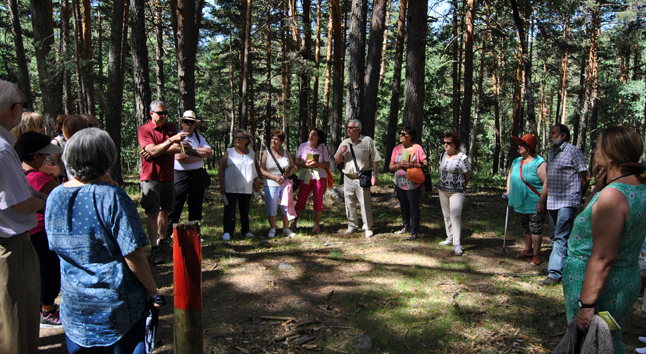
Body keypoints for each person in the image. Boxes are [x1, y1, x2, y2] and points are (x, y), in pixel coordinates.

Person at [45, 128, 165, 353]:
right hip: (117, 311)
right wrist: (152, 291)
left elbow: (55, 245)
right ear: (107, 157)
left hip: (75, 309)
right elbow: (134, 253)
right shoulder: (111, 197)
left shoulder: (55, 196)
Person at [561, 126, 646, 354]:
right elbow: (589, 220)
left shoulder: (613, 196)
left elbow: (603, 257)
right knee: (607, 339)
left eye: (597, 148)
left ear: (609, 157)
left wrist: (586, 305)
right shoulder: (634, 187)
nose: (594, 152)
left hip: (600, 286)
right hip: (622, 280)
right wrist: (597, 190)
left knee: (594, 344)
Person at [0, 80, 46, 354]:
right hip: (11, 249)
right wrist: (49, 201)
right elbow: (23, 204)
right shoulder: (4, 150)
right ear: (14, 110)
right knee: (17, 324)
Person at [14, 132, 63, 327]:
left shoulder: (17, 174)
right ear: (35, 156)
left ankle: (42, 307)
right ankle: (48, 310)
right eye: (44, 155)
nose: (46, 159)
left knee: (38, 271)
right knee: (49, 270)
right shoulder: (41, 178)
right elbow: (59, 198)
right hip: (42, 231)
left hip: (29, 232)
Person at [537, 124, 590, 286]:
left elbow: (585, 176)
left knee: (560, 236)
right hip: (553, 201)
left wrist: (579, 195)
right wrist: (544, 201)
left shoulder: (573, 151)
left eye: (553, 133)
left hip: (568, 200)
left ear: (564, 135)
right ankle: (564, 268)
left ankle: (554, 274)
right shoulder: (552, 152)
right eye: (550, 133)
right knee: (554, 236)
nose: (550, 136)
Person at [138, 100, 186, 264]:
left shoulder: (170, 127)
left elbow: (177, 149)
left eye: (165, 113)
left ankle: (163, 240)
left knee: (165, 211)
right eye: (160, 113)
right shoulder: (144, 130)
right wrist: (168, 142)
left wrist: (158, 150)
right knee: (152, 213)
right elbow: (152, 150)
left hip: (168, 176)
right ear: (151, 113)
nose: (163, 116)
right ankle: (154, 248)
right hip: (151, 177)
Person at [165, 110, 213, 240]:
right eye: (186, 122)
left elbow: (209, 152)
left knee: (196, 205)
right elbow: (180, 157)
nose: (189, 125)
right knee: (175, 205)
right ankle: (168, 234)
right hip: (180, 175)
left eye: (192, 122)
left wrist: (192, 150)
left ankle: (195, 234)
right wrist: (199, 156)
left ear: (195, 124)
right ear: (181, 123)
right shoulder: (177, 137)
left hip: (197, 175)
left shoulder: (198, 137)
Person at [503, 134, 546, 266]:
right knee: (526, 227)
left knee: (535, 228)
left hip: (535, 202)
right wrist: (508, 190)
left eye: (522, 144)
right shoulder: (517, 161)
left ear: (530, 147)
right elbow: (510, 175)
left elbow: (546, 183)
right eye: (519, 144)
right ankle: (528, 250)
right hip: (521, 201)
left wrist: (541, 202)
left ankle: (536, 255)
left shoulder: (540, 162)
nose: (519, 146)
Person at [334, 119, 381, 238]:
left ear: (358, 129)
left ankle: (368, 227)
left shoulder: (367, 140)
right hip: (348, 177)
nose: (348, 129)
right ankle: (352, 225)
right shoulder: (344, 142)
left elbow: (375, 159)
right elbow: (337, 161)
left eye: (351, 127)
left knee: (364, 202)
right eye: (347, 127)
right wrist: (340, 152)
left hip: (363, 177)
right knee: (349, 202)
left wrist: (375, 176)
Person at [218, 129, 262, 240]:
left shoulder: (251, 153)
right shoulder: (230, 152)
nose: (238, 139)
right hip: (230, 186)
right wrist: (222, 184)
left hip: (247, 187)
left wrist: (257, 180)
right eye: (236, 137)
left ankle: (246, 230)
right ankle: (228, 231)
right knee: (230, 210)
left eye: (241, 137)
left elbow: (257, 167)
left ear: (246, 140)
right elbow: (221, 168)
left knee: (245, 209)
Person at [389, 125, 428, 240]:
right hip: (399, 182)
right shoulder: (396, 149)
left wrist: (412, 165)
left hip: (413, 183)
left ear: (410, 137)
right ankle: (406, 226)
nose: (400, 136)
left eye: (403, 134)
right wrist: (398, 165)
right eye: (400, 134)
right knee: (404, 206)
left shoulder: (417, 148)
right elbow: (391, 167)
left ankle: (414, 231)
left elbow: (425, 164)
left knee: (414, 207)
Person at [437, 132, 471, 256]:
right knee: (446, 215)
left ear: (455, 144)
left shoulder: (462, 157)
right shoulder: (442, 155)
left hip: (457, 191)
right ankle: (449, 237)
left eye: (448, 143)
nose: (446, 145)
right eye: (444, 142)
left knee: (455, 215)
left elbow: (467, 173)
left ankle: (457, 243)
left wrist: (462, 185)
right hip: (443, 189)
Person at [292, 128, 330, 234]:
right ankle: (294, 222)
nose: (311, 135)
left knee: (318, 200)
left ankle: (317, 224)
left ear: (319, 137)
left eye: (314, 134)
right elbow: (297, 162)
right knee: (301, 200)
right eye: (310, 133)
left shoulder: (323, 148)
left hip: (319, 176)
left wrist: (319, 165)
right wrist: (306, 165)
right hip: (305, 176)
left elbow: (327, 164)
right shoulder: (303, 146)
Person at [259, 129, 296, 238]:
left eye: (277, 139)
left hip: (285, 184)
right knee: (272, 206)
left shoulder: (286, 153)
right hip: (270, 184)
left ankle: (286, 228)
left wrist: (290, 173)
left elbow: (293, 167)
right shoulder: (266, 153)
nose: (274, 141)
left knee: (285, 206)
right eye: (272, 138)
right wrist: (274, 177)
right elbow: (261, 169)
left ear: (281, 142)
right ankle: (272, 228)